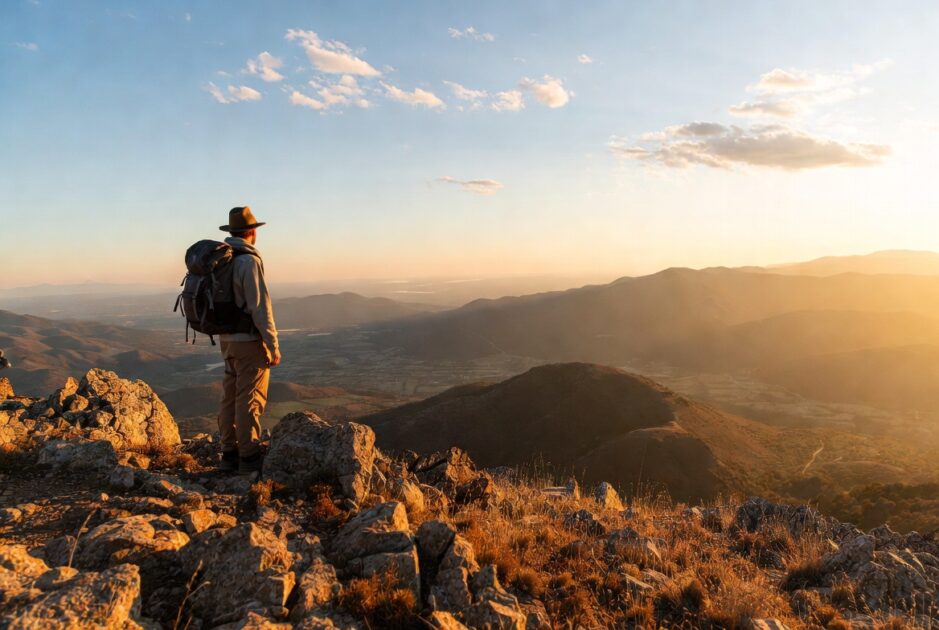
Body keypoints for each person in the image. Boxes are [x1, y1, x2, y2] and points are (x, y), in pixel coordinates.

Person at [216, 206, 280, 473]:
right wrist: (272, 345)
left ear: (232, 232)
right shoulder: (248, 261)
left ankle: (228, 453)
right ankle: (249, 458)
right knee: (250, 399)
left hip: (226, 340)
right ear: (253, 231)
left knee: (230, 397)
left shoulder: (223, 260)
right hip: (248, 342)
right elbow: (260, 307)